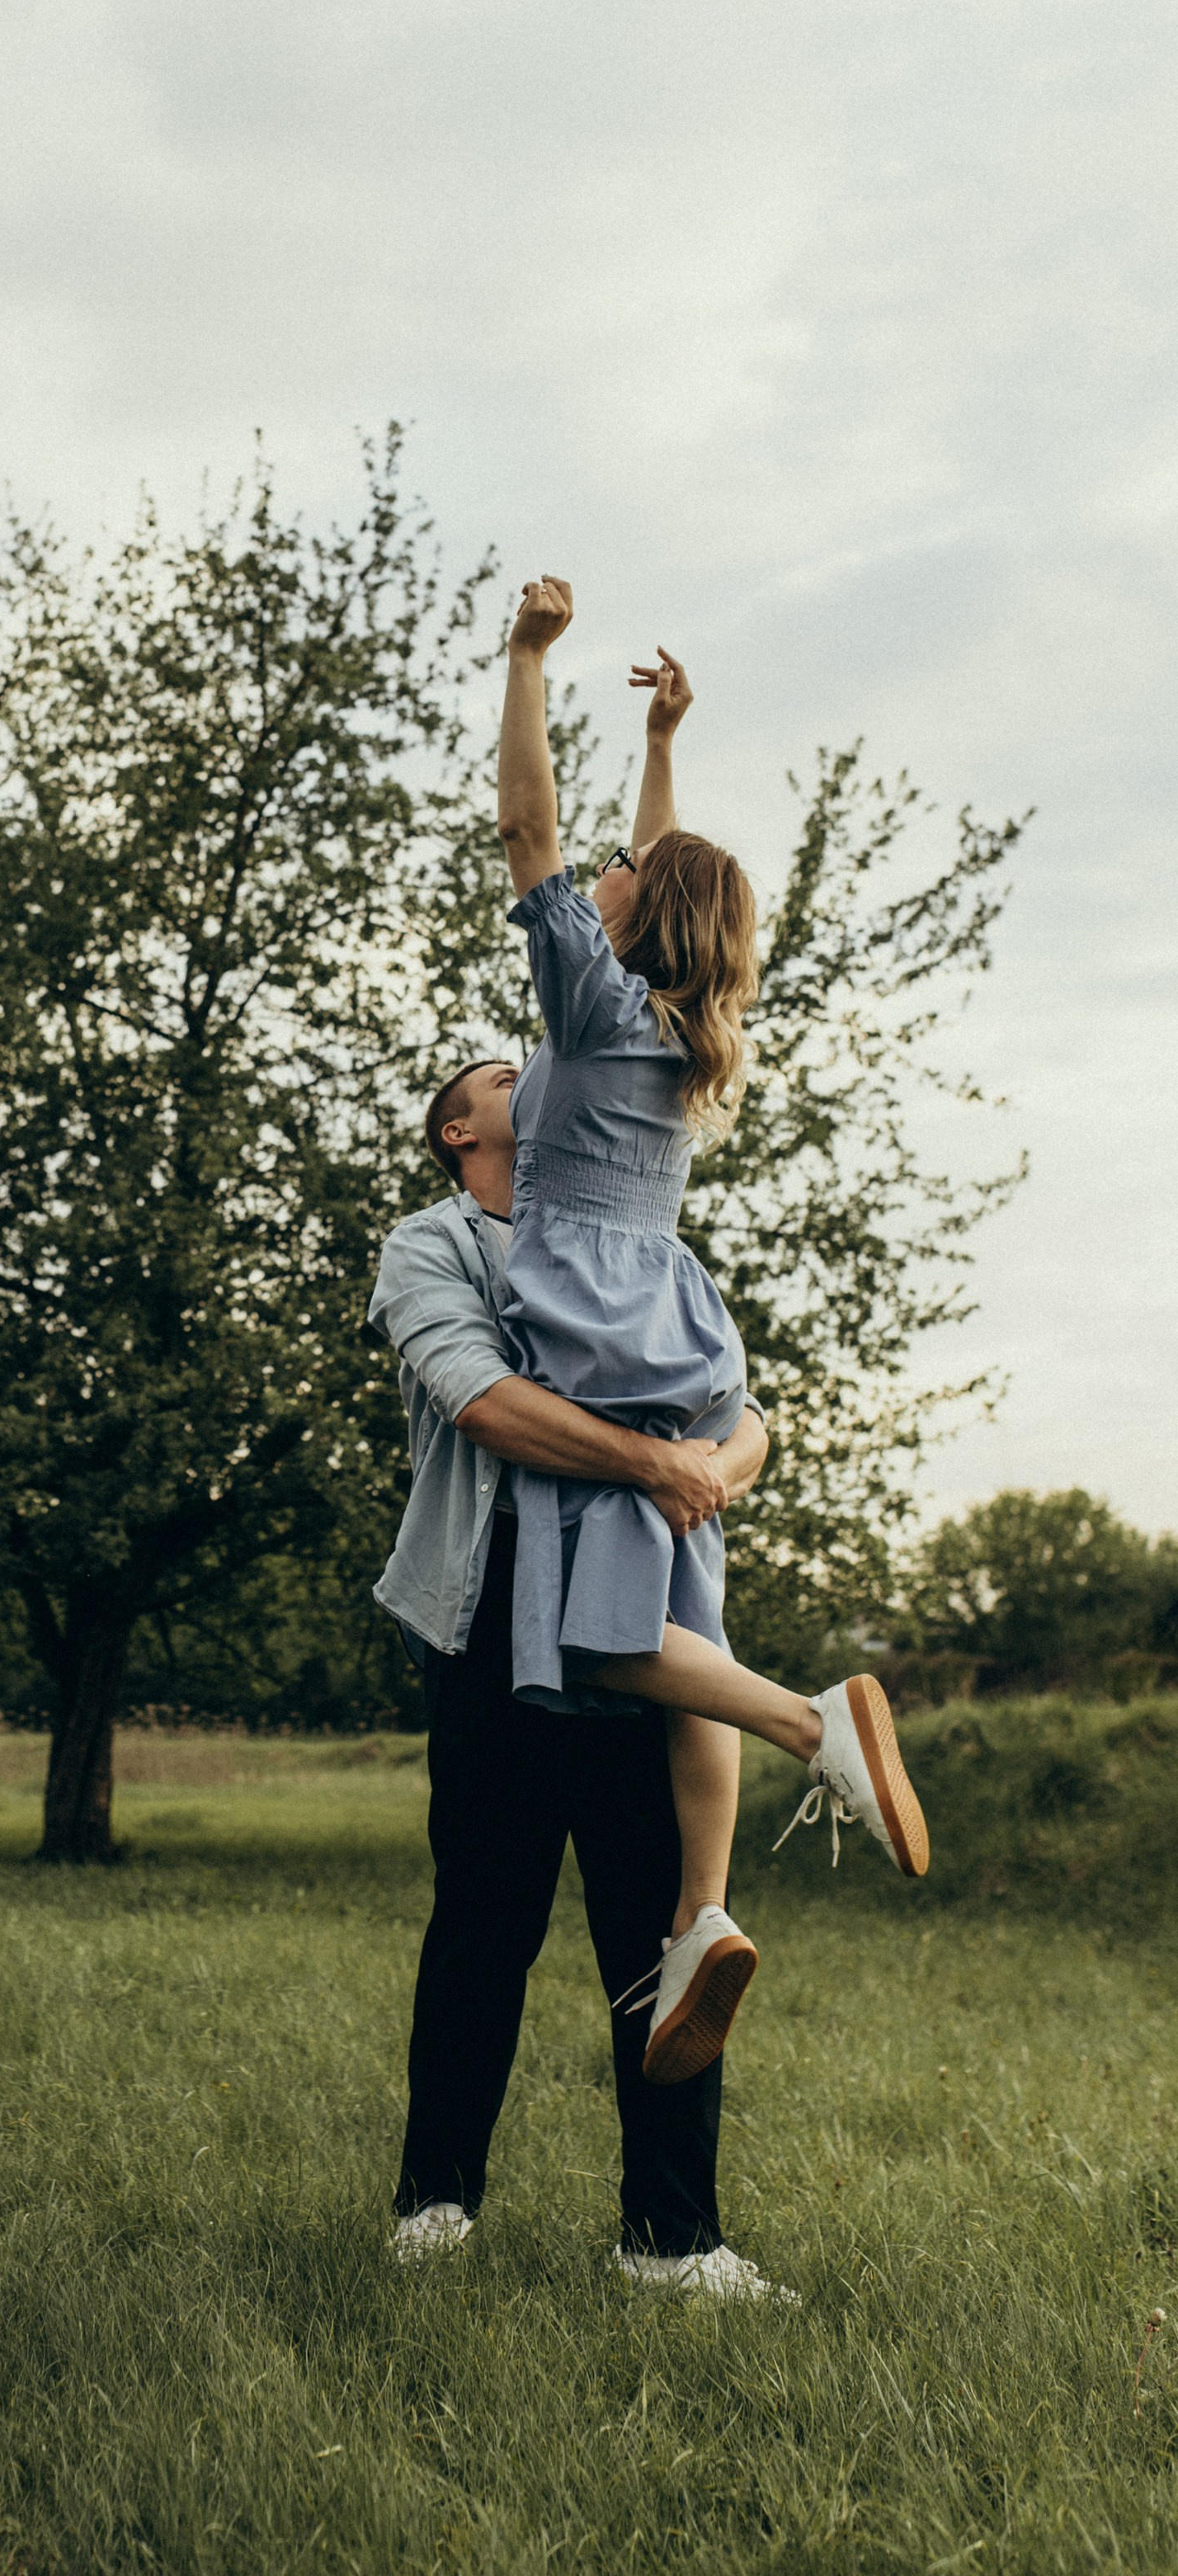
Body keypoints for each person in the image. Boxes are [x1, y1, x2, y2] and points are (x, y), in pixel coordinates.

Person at [488, 576, 927, 2079]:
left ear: (630, 920)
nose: (601, 874)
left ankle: (824, 1729)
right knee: (692, 1640)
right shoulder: (687, 1034)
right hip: (681, 1326)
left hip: (595, 1331)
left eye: (624, 878)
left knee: (609, 1649)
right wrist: (668, 737)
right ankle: (703, 1915)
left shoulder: (592, 1010)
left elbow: (530, 836)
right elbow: (648, 858)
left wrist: (527, 662)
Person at [371, 1054, 781, 2297]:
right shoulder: (430, 1245)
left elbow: (745, 1414)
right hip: (490, 1624)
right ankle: (436, 2201)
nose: (531, 1072)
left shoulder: (635, 1233)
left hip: (634, 1632)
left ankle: (673, 2240)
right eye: (503, 1074)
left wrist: (714, 1468)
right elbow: (484, 1402)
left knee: (663, 1932)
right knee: (485, 1927)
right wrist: (660, 1466)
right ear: (458, 1130)